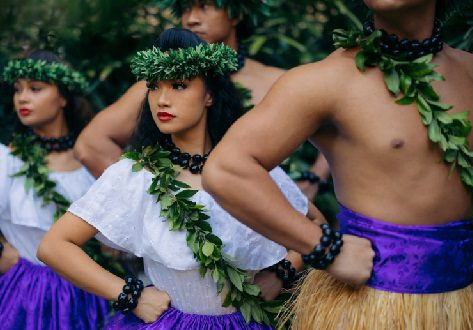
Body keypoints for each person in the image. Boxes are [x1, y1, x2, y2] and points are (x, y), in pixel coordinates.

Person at [203, 0, 473, 328]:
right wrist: (325, 248)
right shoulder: (327, 81)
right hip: (370, 306)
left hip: (458, 303)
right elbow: (228, 169)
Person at [38, 28, 323, 329]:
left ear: (210, 94)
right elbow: (55, 245)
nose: (161, 100)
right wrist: (130, 295)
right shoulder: (136, 174)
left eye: (178, 85)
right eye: (153, 86)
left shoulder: (248, 169)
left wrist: (281, 274)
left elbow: (315, 224)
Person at [74, 0, 285, 177]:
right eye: (185, 8)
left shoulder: (276, 81)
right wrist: (153, 195)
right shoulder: (156, 88)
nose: (191, 19)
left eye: (204, 6)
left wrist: (312, 179)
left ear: (236, 14)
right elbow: (90, 145)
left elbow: (316, 124)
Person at [0, 50, 109, 329]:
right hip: (23, 292)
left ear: (62, 97)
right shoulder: (7, 160)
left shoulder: (90, 160)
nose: (22, 98)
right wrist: (5, 257)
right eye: (18, 90)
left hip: (88, 290)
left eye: (35, 89)